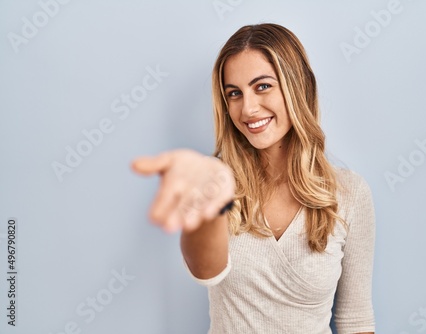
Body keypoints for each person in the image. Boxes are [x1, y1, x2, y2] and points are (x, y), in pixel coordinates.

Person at [132, 23, 375, 334]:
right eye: (234, 93)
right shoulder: (215, 182)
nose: (247, 108)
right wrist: (213, 200)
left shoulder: (350, 193)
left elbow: (357, 321)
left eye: (262, 87)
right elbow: (205, 271)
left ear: (297, 86)